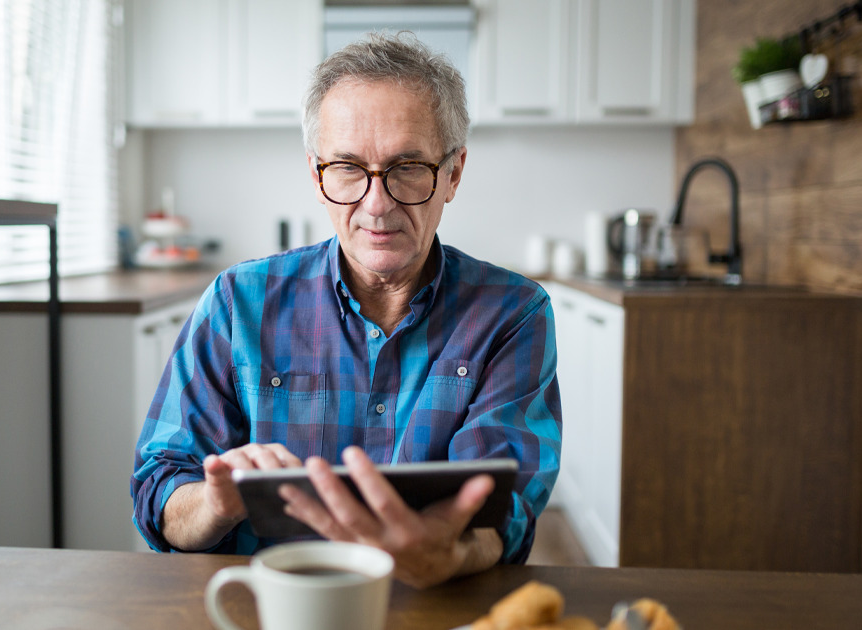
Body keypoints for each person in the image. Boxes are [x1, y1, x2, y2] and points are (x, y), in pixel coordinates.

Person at [131, 31, 560, 589]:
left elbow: (503, 512)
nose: (376, 204)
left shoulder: (513, 313)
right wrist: (215, 503)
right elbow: (159, 489)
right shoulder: (237, 303)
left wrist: (448, 554)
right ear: (316, 174)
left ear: (452, 173)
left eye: (408, 166)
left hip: (433, 605)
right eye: (348, 168)